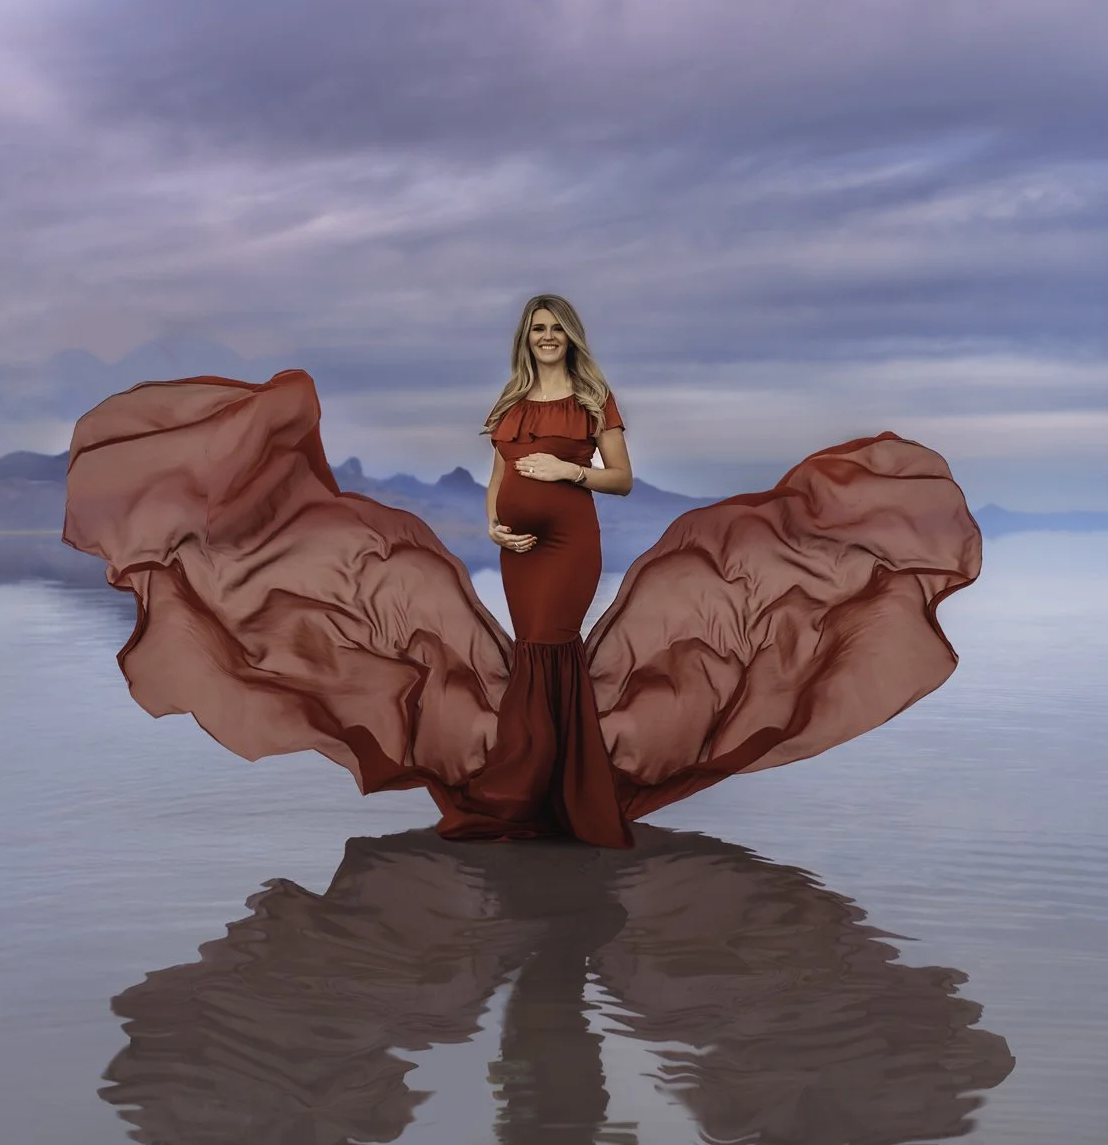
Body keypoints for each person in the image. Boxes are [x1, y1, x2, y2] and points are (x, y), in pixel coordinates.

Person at [62, 293, 981, 849]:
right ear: (525, 338)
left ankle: (560, 795)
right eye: (535, 327)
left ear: (569, 337)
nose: (545, 337)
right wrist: (499, 522)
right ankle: (537, 786)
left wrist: (565, 472)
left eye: (554, 327)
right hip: (520, 549)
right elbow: (501, 477)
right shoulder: (509, 405)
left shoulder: (593, 398)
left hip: (575, 540)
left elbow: (620, 479)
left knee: (553, 645)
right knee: (532, 649)